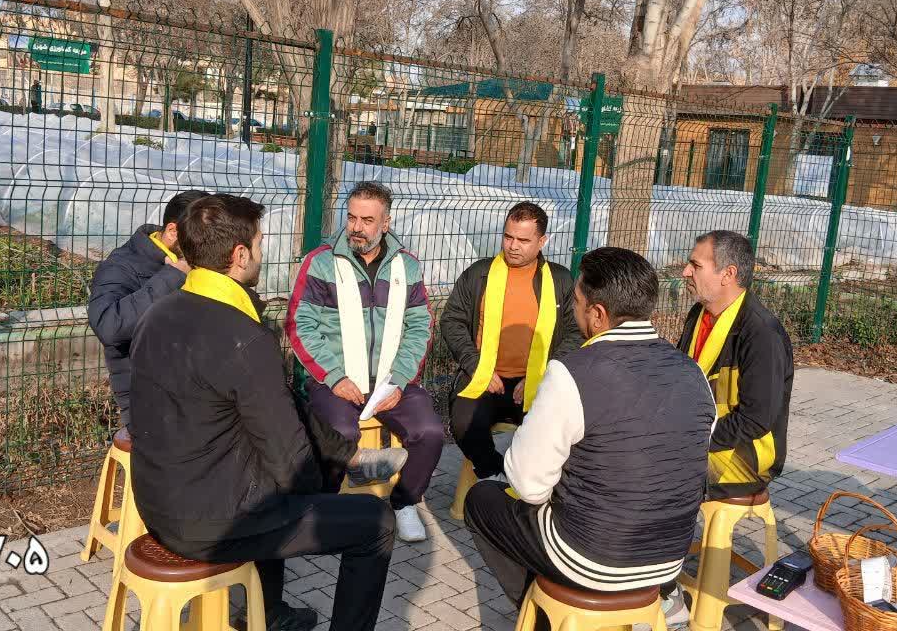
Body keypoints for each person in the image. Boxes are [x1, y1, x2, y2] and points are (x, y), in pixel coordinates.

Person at [129, 194, 398, 631]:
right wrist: (324, 486)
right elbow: (293, 467)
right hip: (212, 525)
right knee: (376, 521)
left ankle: (268, 612)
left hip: (157, 505)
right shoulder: (244, 336)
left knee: (267, 478)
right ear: (239, 255)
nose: (260, 252)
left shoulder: (157, 313)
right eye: (258, 243)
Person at [463, 247, 716, 628]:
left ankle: (545, 617)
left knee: (482, 499)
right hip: (669, 559)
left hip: (593, 560)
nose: (574, 311)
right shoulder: (692, 371)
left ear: (597, 315)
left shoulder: (573, 372)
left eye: (577, 303)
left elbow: (529, 485)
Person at [287, 180, 445, 543]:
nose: (356, 227)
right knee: (339, 434)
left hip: (391, 379)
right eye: (352, 217)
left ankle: (405, 502)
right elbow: (300, 325)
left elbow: (420, 326)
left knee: (430, 432)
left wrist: (400, 379)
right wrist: (334, 376)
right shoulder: (321, 262)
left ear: (385, 223)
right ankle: (325, 505)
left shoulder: (406, 266)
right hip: (336, 380)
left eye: (367, 220)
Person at [440, 201, 579, 482]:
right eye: (508, 237)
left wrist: (544, 374)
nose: (513, 246)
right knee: (464, 423)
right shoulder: (478, 274)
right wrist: (476, 366)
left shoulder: (560, 279)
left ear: (542, 241)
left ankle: (535, 484)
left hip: (537, 380)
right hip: (484, 376)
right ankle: (496, 475)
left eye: (523, 240)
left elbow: (576, 332)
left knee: (558, 429)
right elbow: (451, 320)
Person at [678, 230, 793, 501]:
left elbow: (755, 420)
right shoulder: (699, 313)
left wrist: (689, 438)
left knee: (653, 473)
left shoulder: (762, 334)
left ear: (728, 274)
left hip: (745, 459)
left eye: (695, 265)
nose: (685, 272)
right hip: (702, 438)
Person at [88, 190, 208, 427]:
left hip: (194, 397)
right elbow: (107, 325)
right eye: (202, 239)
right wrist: (173, 276)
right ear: (173, 232)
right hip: (149, 406)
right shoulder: (121, 266)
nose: (209, 247)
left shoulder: (193, 263)